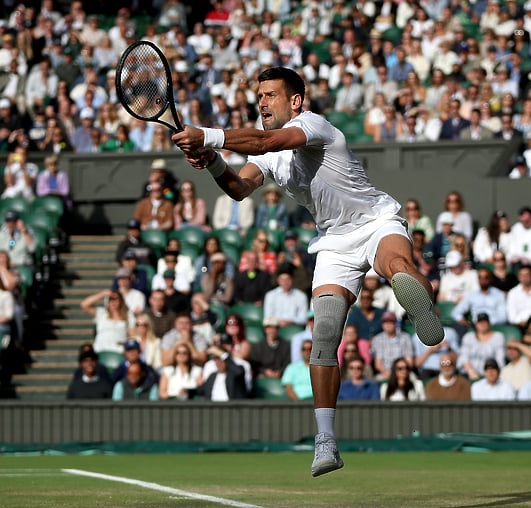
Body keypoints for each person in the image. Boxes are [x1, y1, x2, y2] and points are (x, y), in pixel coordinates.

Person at [173, 67, 444, 476]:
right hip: (333, 242)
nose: (261, 102)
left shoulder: (312, 125)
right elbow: (238, 188)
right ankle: (326, 441)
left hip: (374, 221)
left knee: (398, 266)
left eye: (270, 95)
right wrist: (212, 162)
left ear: (295, 101)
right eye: (259, 96)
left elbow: (266, 140)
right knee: (325, 330)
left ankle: (422, 308)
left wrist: (208, 136)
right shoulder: (265, 154)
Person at [80, 289, 132, 354]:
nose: (113, 302)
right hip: (100, 349)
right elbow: (84, 304)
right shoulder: (101, 313)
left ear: (120, 301)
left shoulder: (128, 316)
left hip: (119, 351)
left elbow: (131, 335)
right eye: (111, 299)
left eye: (115, 299)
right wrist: (102, 294)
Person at [371, 311, 414, 380]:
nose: (387, 324)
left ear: (395, 323)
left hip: (403, 371)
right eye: (385, 322)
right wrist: (388, 374)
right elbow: (378, 364)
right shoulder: (377, 339)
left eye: (390, 322)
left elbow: (409, 361)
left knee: (415, 380)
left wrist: (400, 373)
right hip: (385, 373)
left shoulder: (405, 337)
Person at [506, 264, 531, 329]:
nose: (524, 277)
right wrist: (521, 322)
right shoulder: (513, 293)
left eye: (527, 275)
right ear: (519, 277)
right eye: (522, 275)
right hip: (520, 326)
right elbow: (511, 316)